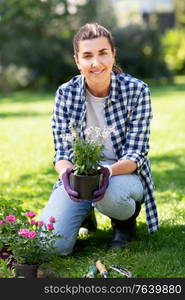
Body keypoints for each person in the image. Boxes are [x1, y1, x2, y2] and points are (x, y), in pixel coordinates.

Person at [41, 23, 159, 255]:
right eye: (87, 56)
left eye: (103, 53)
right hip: (80, 177)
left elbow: (136, 154)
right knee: (49, 245)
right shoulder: (66, 93)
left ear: (113, 54)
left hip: (122, 175)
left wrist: (107, 173)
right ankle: (85, 213)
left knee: (110, 193)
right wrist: (65, 174)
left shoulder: (137, 91)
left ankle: (124, 224)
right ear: (77, 61)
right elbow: (62, 151)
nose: (96, 63)